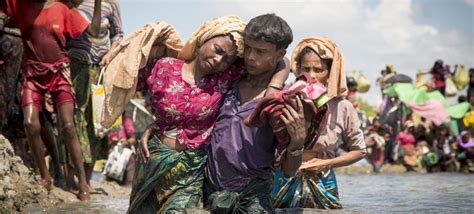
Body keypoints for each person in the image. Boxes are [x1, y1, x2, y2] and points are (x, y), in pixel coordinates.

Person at [129, 16, 289, 213]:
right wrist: (155, 124)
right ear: (203, 39)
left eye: (227, 59)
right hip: (153, 158)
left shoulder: (224, 78)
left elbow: (280, 60)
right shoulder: (164, 67)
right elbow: (124, 81)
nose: (218, 59)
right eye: (217, 50)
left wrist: (275, 85)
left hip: (192, 167)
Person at [203, 14, 306, 213]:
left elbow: (289, 170)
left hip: (253, 197)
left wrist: (298, 142)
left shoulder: (283, 102)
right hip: (211, 190)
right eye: (248, 48)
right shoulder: (228, 80)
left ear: (278, 55)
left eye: (260, 52)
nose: (250, 57)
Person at [0, 0, 101, 200]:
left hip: (59, 73)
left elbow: (95, 32)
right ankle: (45, 175)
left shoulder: (63, 9)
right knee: (30, 123)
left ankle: (82, 183)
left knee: (68, 126)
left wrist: (98, 2)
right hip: (33, 74)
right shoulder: (20, 6)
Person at [272, 36, 366, 209]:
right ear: (297, 68)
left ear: (330, 72)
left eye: (318, 69)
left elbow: (359, 151)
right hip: (282, 177)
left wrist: (325, 163)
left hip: (323, 180)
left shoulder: (342, 107)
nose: (312, 76)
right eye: (306, 68)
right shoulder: (285, 99)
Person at [67, 0, 123, 187]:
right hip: (73, 67)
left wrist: (110, 54)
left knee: (96, 123)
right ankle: (70, 176)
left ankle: (87, 179)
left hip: (100, 70)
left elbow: (118, 35)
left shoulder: (111, 4)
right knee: (73, 119)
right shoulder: (70, 2)